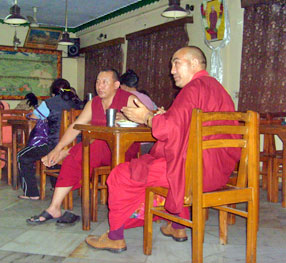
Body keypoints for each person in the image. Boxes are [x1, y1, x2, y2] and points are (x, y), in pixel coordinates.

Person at [85, 46, 241, 253]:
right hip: (218, 172)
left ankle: (115, 237)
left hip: (193, 172)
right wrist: (161, 116)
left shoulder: (193, 89)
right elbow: (186, 127)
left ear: (194, 64)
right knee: (161, 167)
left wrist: (147, 118)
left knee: (121, 174)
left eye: (176, 63)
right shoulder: (217, 88)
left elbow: (168, 129)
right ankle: (177, 226)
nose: (172, 70)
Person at [26, 68, 139, 225]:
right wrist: (57, 148)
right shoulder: (94, 103)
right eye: (98, 82)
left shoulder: (129, 99)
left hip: (124, 149)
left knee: (84, 149)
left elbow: (145, 122)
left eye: (105, 82)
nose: (99, 86)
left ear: (116, 84)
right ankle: (54, 207)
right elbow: (75, 126)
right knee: (80, 153)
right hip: (98, 148)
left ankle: (68, 153)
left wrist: (128, 117)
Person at [17, 79, 82, 200]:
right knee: (49, 153)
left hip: (56, 145)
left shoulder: (50, 103)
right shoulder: (79, 102)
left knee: (22, 156)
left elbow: (33, 117)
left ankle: (32, 193)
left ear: (53, 93)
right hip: (78, 147)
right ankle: (56, 185)